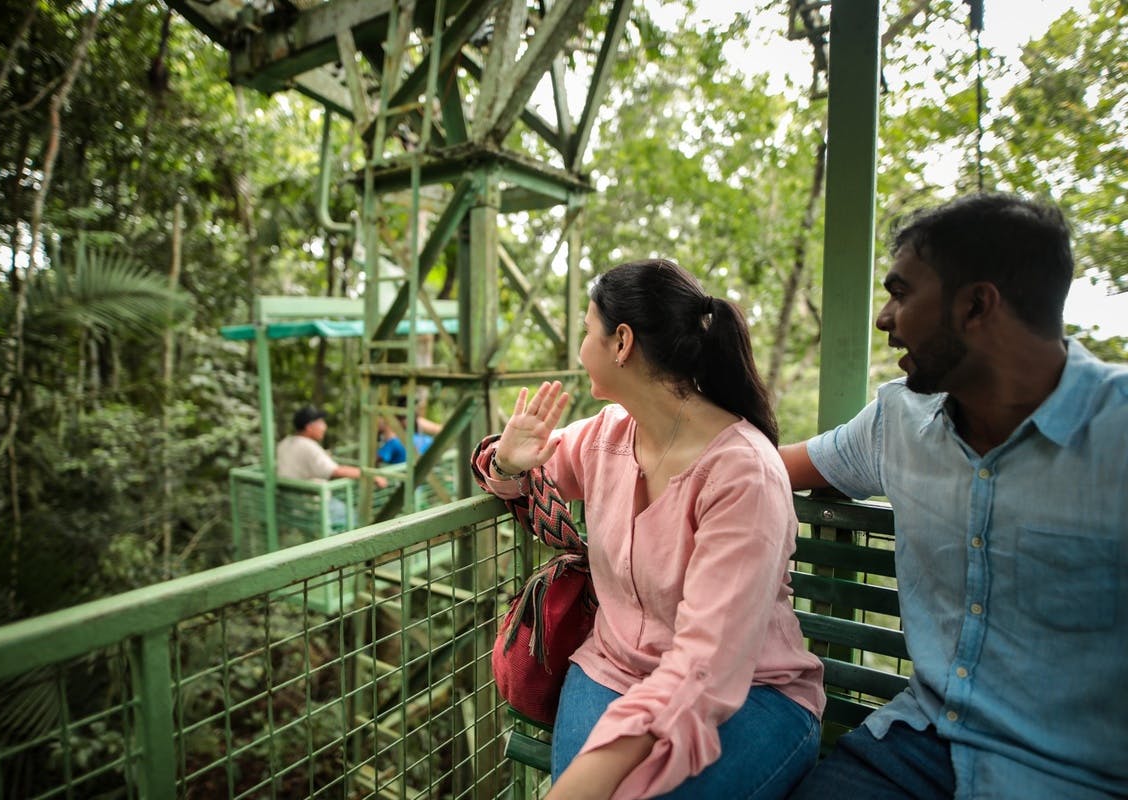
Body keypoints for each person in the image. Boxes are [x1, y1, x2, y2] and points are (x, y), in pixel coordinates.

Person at [781, 194, 1127, 800]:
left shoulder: (1117, 433)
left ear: (976, 305)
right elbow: (763, 468)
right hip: (922, 746)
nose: (885, 318)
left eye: (901, 293)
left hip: (1081, 774)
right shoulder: (897, 421)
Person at [475, 259, 825, 799]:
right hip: (610, 671)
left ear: (621, 342)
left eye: (586, 332)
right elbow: (523, 476)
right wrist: (508, 462)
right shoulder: (607, 434)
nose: (579, 349)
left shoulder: (741, 472)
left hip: (746, 692)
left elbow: (705, 665)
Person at [277, 405, 387, 488]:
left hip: (290, 504)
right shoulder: (308, 446)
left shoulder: (285, 443)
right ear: (309, 427)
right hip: (311, 506)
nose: (324, 426)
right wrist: (371, 476)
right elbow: (335, 471)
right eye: (320, 423)